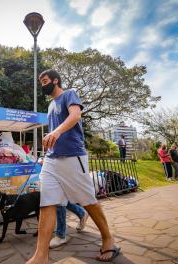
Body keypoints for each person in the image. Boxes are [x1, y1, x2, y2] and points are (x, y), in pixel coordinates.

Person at [27, 69, 119, 264]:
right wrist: (46, 152)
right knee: (47, 202)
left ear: (55, 80)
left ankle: (108, 239)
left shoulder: (69, 94)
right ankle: (40, 256)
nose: (43, 85)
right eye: (41, 83)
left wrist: (56, 132)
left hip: (73, 156)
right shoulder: (51, 106)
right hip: (52, 160)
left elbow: (75, 115)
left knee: (88, 200)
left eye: (45, 81)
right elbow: (53, 132)